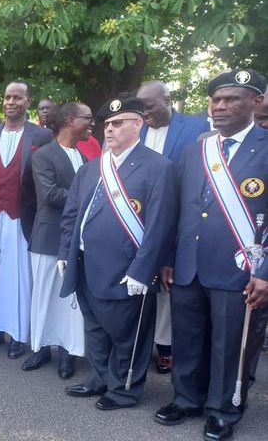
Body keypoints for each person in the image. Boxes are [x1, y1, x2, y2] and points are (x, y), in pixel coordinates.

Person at [154, 69, 268, 441]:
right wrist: (169, 256)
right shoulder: (196, 149)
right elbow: (178, 209)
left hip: (239, 268)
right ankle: (186, 398)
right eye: (216, 100)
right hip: (189, 264)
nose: (219, 106)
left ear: (256, 102)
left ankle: (223, 408)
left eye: (230, 99)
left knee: (229, 343)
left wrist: (265, 272)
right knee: (188, 338)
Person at [58, 96, 176, 411]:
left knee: (127, 336)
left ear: (138, 124)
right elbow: (72, 214)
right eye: (107, 124)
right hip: (86, 266)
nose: (109, 130)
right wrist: (64, 253)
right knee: (95, 330)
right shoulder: (92, 167)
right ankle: (99, 378)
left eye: (118, 123)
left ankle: (124, 389)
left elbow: (160, 226)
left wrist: (143, 269)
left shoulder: (158, 167)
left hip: (126, 271)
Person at [0, 81, 52, 359]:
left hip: (23, 216)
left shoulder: (41, 136)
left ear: (28, 102)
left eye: (17, 98)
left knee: (19, 277)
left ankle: (18, 334)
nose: (11, 102)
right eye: (7, 97)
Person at [136, 80, 210, 375]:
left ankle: (166, 349)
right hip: (138, 221)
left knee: (168, 287)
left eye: (149, 106)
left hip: (179, 220)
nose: (144, 113)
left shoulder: (196, 127)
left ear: (167, 100)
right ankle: (137, 345)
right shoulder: (135, 128)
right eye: (140, 108)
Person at [22, 102, 90, 378]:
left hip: (74, 237)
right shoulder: (43, 156)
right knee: (43, 297)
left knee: (69, 301)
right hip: (48, 236)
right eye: (87, 118)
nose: (91, 124)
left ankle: (68, 354)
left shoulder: (84, 158)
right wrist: (86, 198)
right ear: (70, 120)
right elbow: (49, 194)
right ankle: (40, 349)